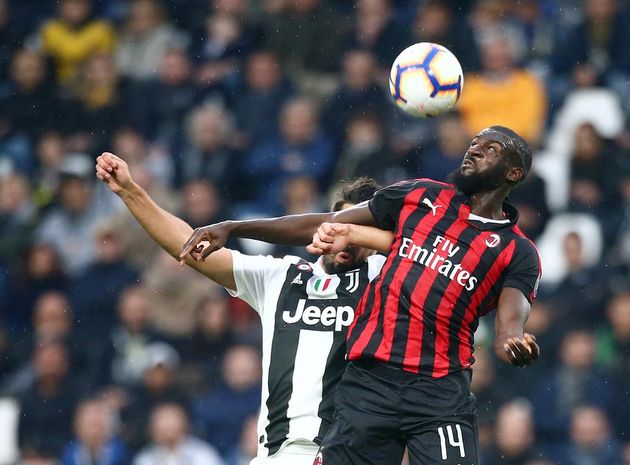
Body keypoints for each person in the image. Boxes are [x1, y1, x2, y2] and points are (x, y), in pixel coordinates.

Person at [179, 125, 542, 465]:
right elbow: (326, 224)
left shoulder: (517, 251)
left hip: (439, 392)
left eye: (490, 149)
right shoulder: (421, 196)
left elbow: (511, 322)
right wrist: (233, 226)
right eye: (475, 142)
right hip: (369, 382)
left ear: (513, 173)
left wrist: (514, 343)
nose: (475, 150)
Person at [95, 152, 385, 464]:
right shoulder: (282, 275)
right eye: (341, 224)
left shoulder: (387, 282)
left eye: (358, 230)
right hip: (276, 455)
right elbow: (190, 245)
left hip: (347, 454)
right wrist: (131, 192)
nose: (346, 237)